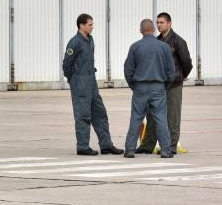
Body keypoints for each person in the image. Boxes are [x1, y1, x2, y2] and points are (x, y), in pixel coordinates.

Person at [62, 13, 123, 156]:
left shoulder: (90, 40)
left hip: (92, 83)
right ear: (81, 25)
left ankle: (106, 145)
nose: (92, 27)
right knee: (83, 116)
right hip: (80, 84)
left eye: (92, 24)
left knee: (100, 114)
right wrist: (75, 80)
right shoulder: (74, 42)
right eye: (89, 25)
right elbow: (66, 65)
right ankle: (82, 146)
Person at [136, 12, 193, 154]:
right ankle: (147, 146)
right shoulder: (156, 41)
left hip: (174, 85)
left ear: (169, 23)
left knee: (172, 117)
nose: (159, 25)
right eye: (158, 23)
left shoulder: (179, 41)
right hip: (159, 85)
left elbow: (187, 62)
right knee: (152, 115)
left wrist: (181, 75)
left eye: (162, 22)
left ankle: (171, 146)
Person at [123, 18, 174, 158]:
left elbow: (128, 70)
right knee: (161, 118)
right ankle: (165, 150)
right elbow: (171, 71)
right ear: (154, 30)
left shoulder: (135, 47)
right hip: (158, 87)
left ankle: (129, 150)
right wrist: (164, 86)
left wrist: (134, 86)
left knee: (136, 118)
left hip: (140, 87)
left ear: (140, 31)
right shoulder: (164, 47)